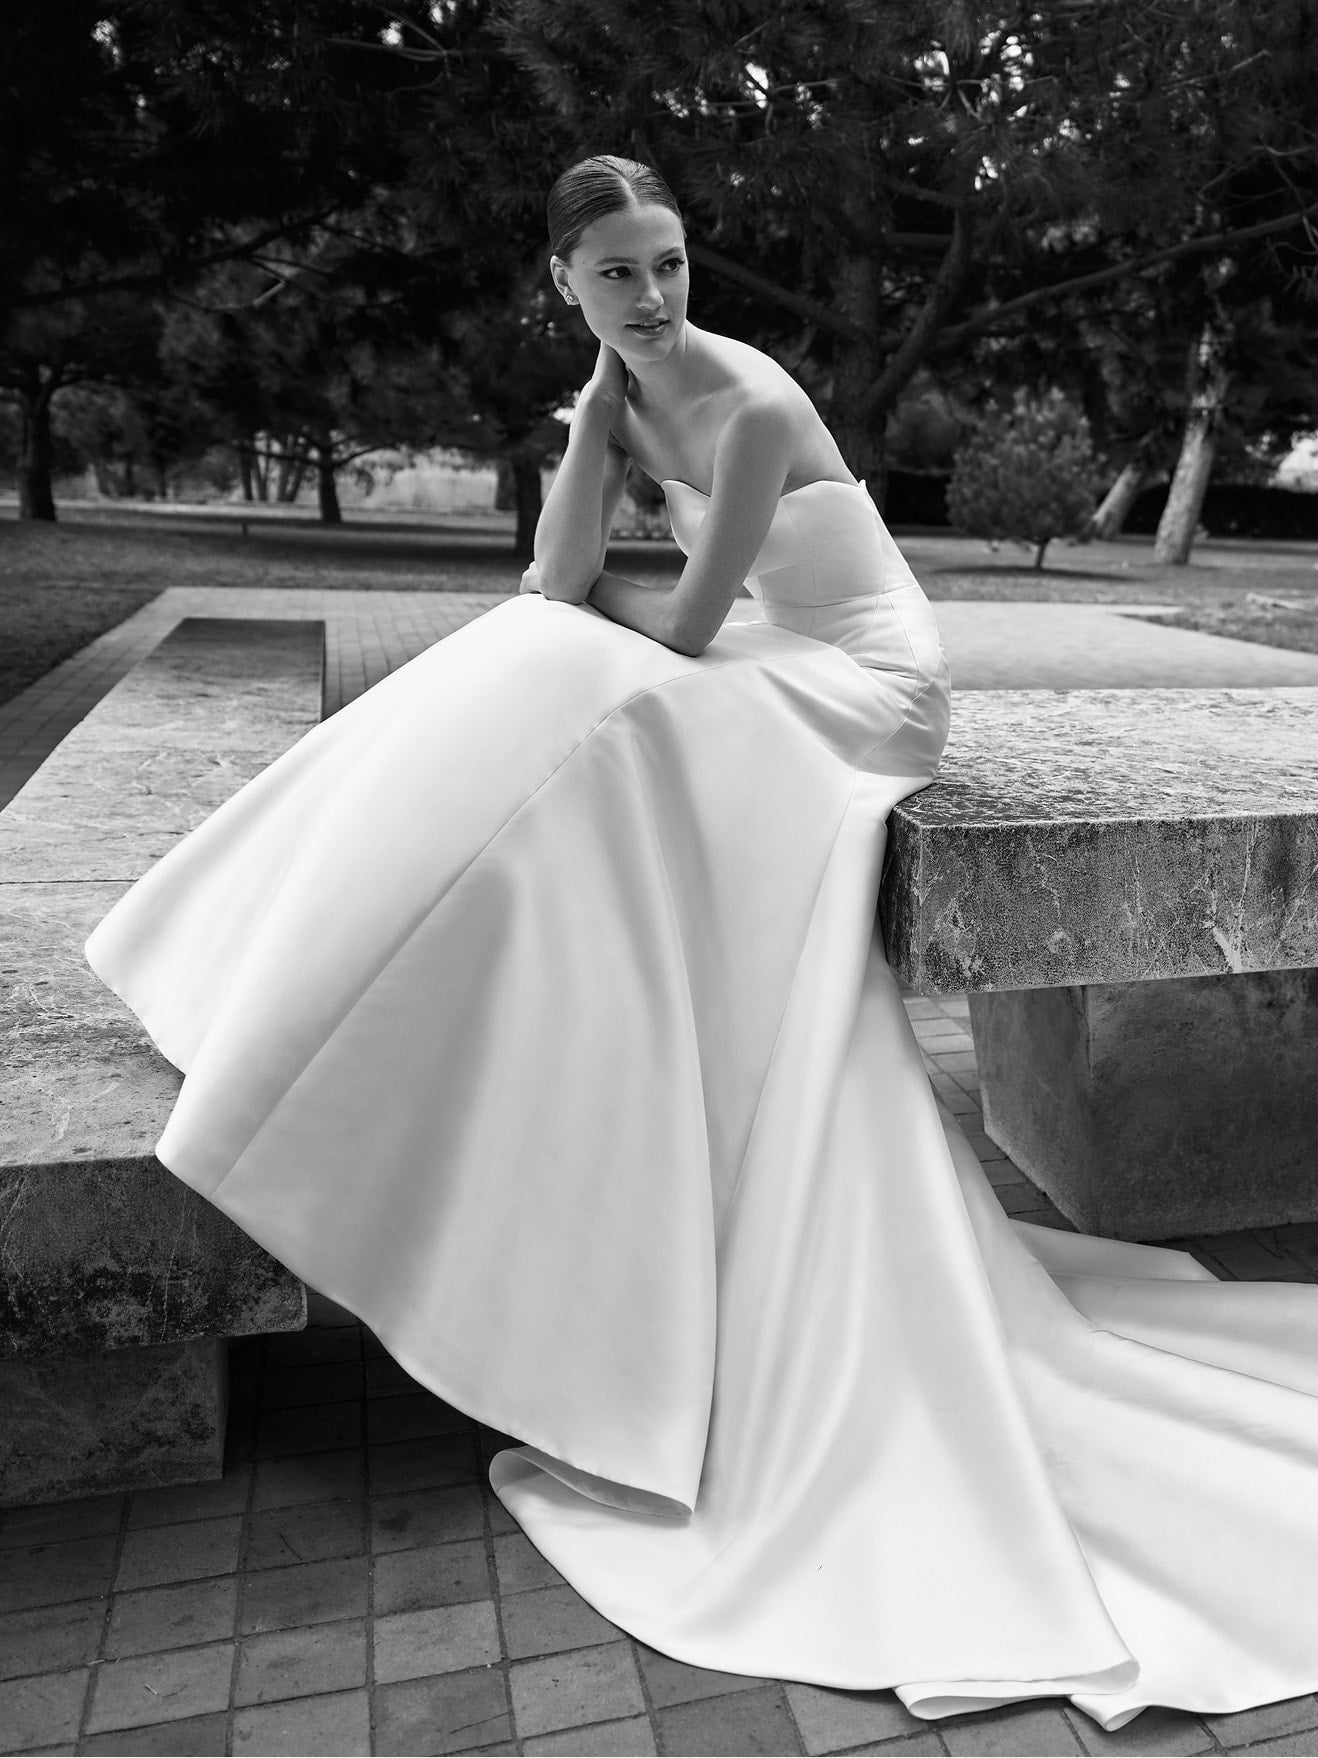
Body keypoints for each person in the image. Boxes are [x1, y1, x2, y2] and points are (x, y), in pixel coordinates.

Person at [86, 156, 1318, 1735]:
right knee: (532, 665)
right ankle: (283, 970)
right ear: (565, 282)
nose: (654, 296)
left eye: (668, 263)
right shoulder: (618, 392)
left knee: (583, 701)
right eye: (616, 272)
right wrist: (590, 430)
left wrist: (595, 533)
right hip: (759, 653)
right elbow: (555, 579)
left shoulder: (746, 403)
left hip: (864, 682)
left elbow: (672, 626)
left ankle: (441, 970)